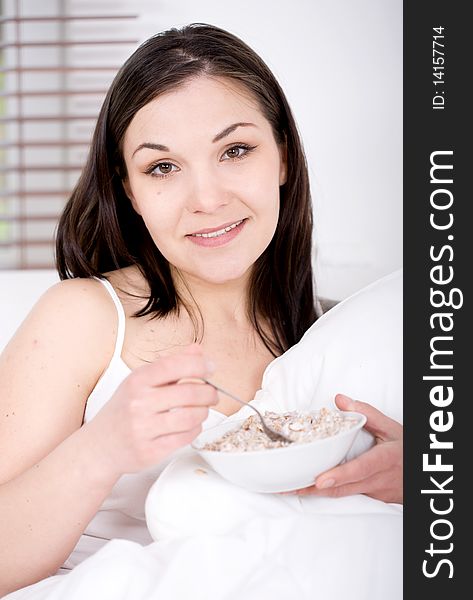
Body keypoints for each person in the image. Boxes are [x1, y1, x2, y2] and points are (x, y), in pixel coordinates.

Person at [0, 23, 402, 597]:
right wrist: (103, 448)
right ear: (130, 191)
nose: (208, 199)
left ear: (283, 158)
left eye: (235, 151)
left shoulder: (331, 333)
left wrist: (426, 479)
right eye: (162, 167)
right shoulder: (84, 320)